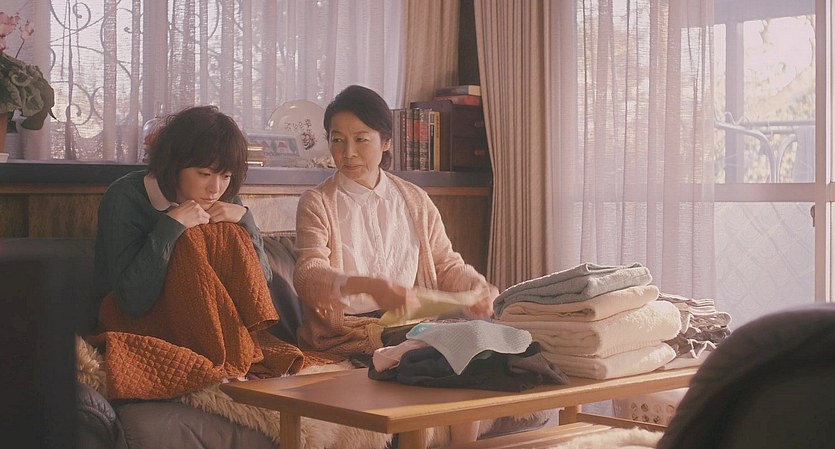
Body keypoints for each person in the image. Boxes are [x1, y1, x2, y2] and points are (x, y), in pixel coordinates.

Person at [293, 85, 499, 444]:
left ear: (386, 141)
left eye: (361, 139)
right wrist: (370, 287)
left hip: (414, 325)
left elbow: (446, 263)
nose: (348, 152)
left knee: (474, 344)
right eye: (338, 140)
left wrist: (476, 288)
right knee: (440, 352)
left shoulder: (414, 199)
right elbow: (308, 275)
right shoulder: (317, 202)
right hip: (352, 334)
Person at [91, 105, 307, 400]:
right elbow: (131, 301)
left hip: (214, 329)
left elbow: (259, 286)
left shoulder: (225, 197)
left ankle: (224, 353)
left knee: (227, 231)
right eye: (204, 174)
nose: (215, 188)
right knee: (190, 238)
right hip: (138, 322)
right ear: (174, 165)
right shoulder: (125, 197)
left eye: (226, 176)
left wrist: (246, 221)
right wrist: (170, 227)